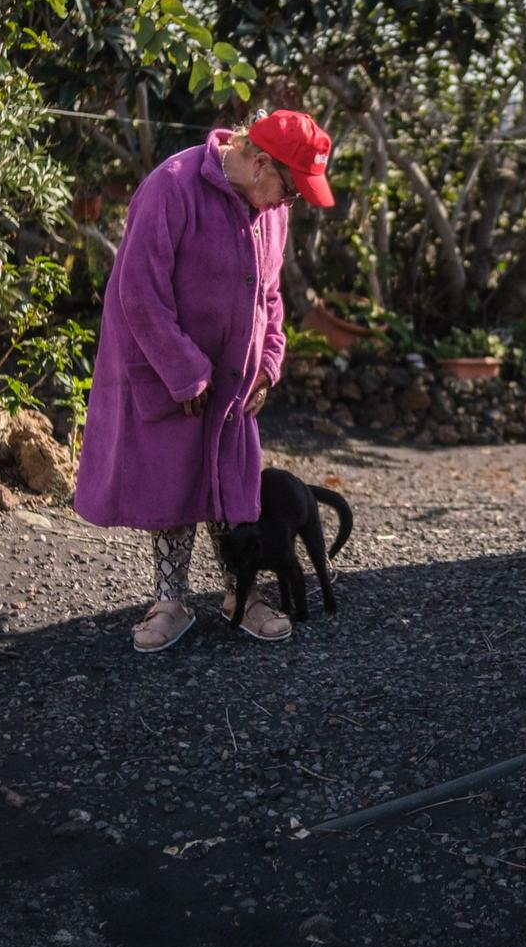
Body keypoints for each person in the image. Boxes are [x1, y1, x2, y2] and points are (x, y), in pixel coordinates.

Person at [73, 106, 336, 650]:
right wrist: (185, 372)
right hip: (172, 369)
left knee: (231, 485)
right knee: (174, 485)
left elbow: (269, 293)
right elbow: (138, 291)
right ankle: (171, 600)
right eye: (290, 190)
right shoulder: (171, 185)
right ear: (260, 162)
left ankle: (241, 596)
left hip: (235, 377)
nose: (290, 203)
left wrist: (269, 361)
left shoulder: (272, 211)